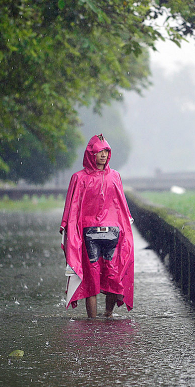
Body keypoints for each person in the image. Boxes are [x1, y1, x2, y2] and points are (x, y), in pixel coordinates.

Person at [60, 134, 134, 318]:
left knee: (112, 276)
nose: (103, 154)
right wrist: (69, 230)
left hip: (113, 233)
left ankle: (108, 314)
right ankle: (92, 320)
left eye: (106, 151)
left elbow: (122, 206)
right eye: (100, 151)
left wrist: (125, 228)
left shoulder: (115, 176)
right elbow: (72, 207)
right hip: (89, 233)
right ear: (91, 153)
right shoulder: (79, 178)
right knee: (91, 278)